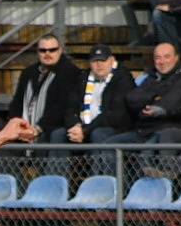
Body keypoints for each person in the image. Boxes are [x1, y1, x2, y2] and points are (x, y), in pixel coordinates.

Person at [101, 42, 181, 183]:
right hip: (143, 129)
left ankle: (147, 198)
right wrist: (152, 97)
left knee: (146, 154)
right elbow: (132, 99)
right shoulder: (151, 76)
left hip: (167, 128)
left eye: (166, 57)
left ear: (176, 58)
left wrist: (150, 104)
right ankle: (120, 192)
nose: (161, 62)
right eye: (157, 58)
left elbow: (169, 103)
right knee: (109, 146)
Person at [48, 44, 136, 177]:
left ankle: (100, 184)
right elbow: (70, 106)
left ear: (112, 60)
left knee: (99, 134)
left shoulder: (123, 78)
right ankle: (55, 184)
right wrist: (75, 125)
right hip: (83, 128)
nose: (99, 65)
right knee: (58, 134)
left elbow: (116, 114)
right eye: (95, 61)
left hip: (112, 128)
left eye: (103, 61)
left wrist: (86, 130)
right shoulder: (83, 78)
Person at [8, 34, 82, 146]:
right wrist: (17, 126)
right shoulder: (28, 72)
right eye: (43, 50)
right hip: (23, 129)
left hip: (51, 130)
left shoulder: (69, 72)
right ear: (37, 52)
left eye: (52, 50)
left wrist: (37, 129)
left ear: (60, 50)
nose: (47, 54)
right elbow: (17, 101)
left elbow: (61, 106)